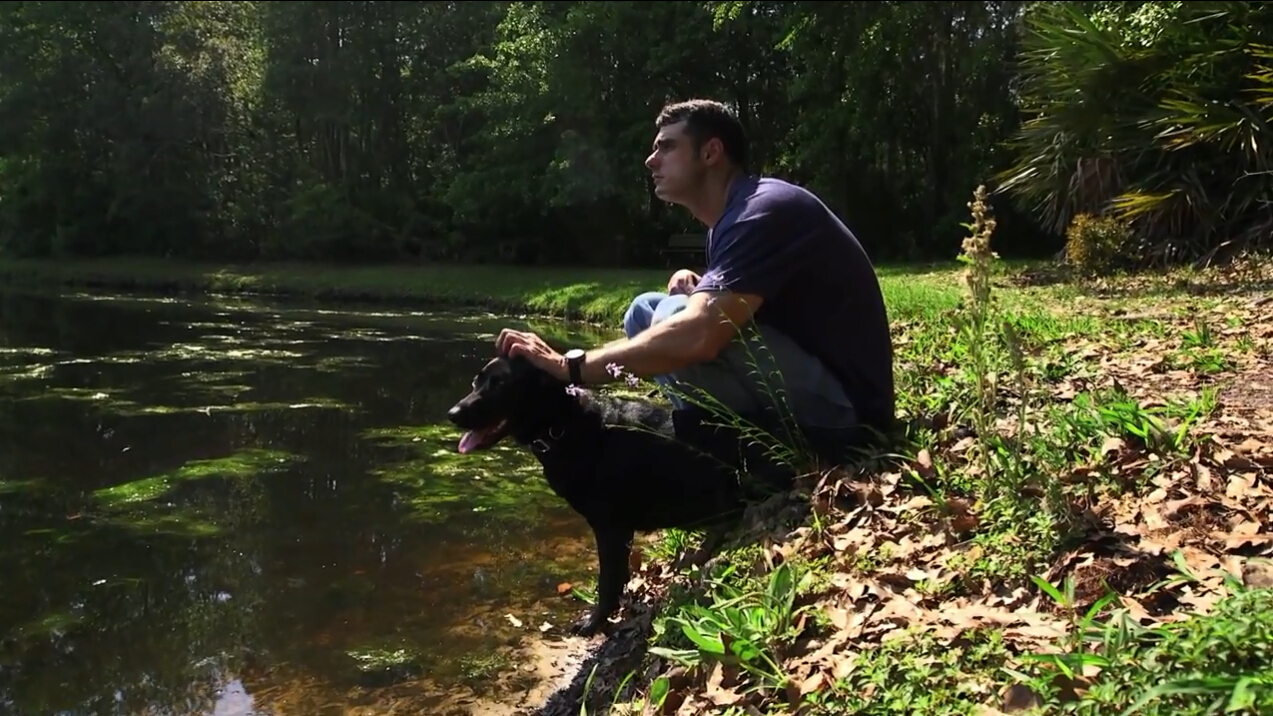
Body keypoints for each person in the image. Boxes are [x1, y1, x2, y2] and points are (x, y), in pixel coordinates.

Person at [495, 99, 895, 461]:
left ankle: (731, 455)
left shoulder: (761, 210)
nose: (651, 161)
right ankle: (716, 444)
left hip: (849, 418)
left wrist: (570, 366)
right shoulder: (733, 217)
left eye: (667, 147)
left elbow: (702, 334)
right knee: (644, 309)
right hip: (814, 389)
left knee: (672, 314)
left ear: (710, 152)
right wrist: (703, 283)